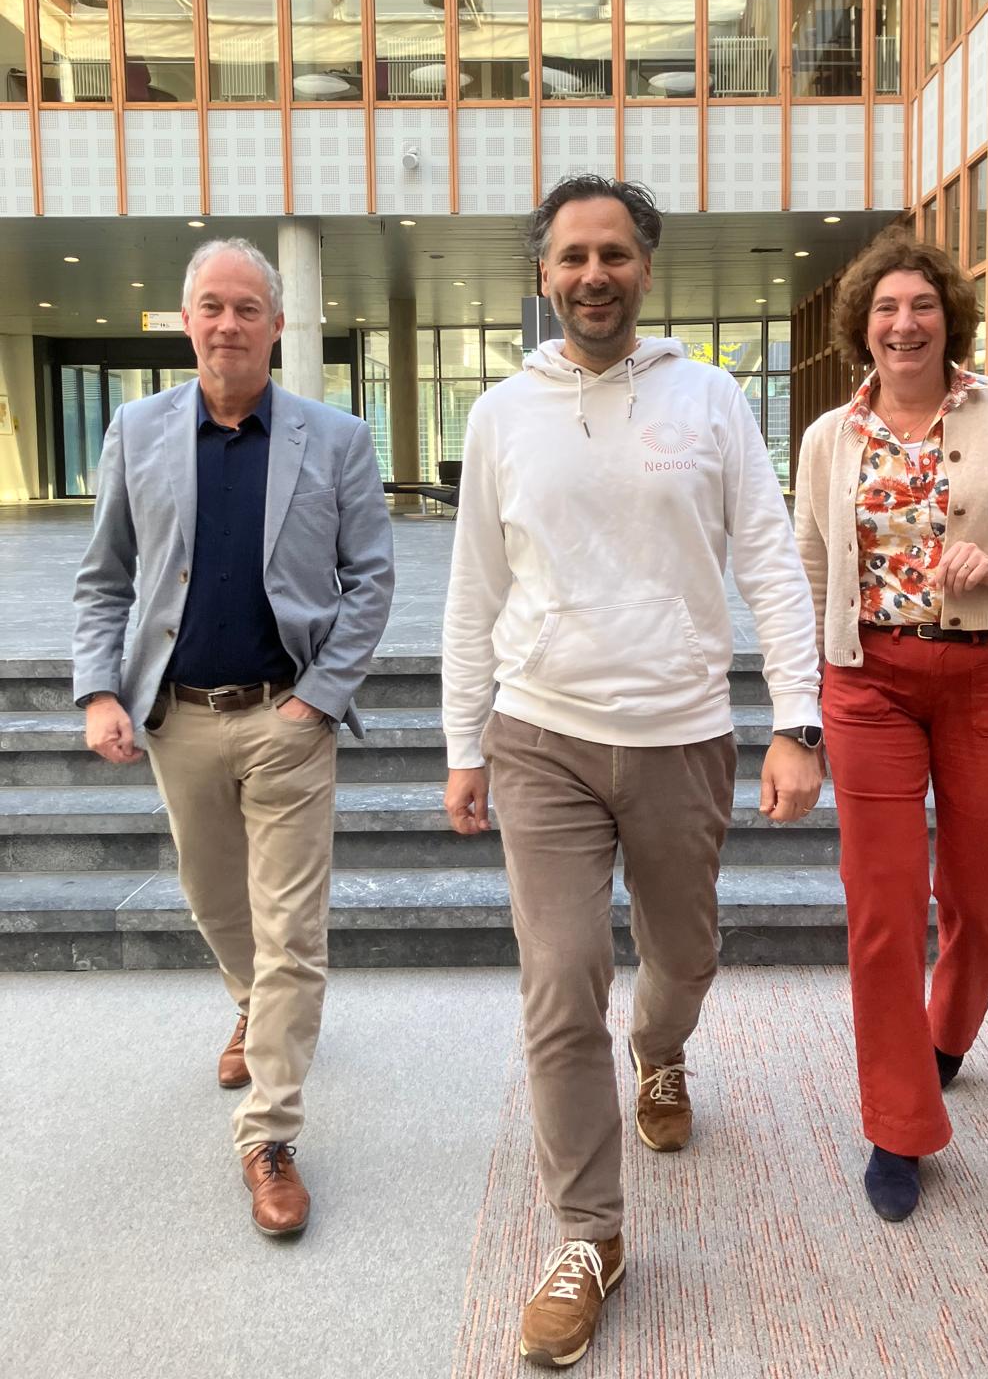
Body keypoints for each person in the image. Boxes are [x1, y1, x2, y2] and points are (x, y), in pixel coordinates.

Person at [441, 175, 823, 1369]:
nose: (592, 274)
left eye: (613, 253)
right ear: (543, 275)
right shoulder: (502, 413)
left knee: (684, 957)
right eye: (572, 256)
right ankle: (588, 1236)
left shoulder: (710, 398)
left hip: (680, 733)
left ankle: (660, 1051)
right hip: (541, 735)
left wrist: (798, 721)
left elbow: (771, 560)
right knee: (560, 983)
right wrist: (463, 742)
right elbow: (473, 587)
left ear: (646, 268)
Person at [72, 237, 395, 1237]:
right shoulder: (136, 429)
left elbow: (371, 580)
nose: (227, 324)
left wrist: (319, 700)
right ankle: (251, 1005)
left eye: (247, 307)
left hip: (286, 716)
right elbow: (104, 578)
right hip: (178, 718)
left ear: (277, 324)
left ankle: (269, 1133)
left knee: (291, 930)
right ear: (186, 321)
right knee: (216, 901)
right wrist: (99, 690)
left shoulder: (335, 437)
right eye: (210, 306)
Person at [793, 228, 988, 1224]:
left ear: (947, 318)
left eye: (921, 305)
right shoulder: (831, 437)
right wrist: (801, 708)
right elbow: (809, 575)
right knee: (881, 901)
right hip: (867, 682)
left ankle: (948, 1031)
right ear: (863, 326)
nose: (904, 322)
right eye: (886, 307)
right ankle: (898, 1123)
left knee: (980, 888)